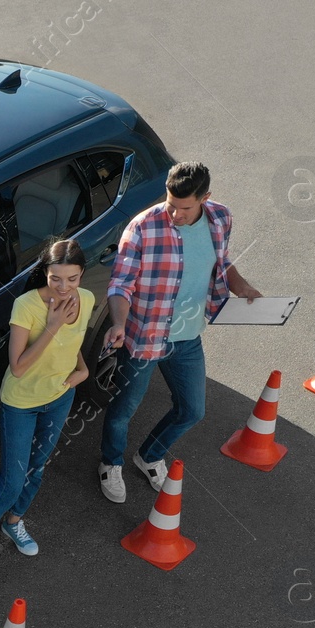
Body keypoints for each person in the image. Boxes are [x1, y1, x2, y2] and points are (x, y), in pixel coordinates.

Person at [97, 161, 262, 502]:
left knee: (192, 410)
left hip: (187, 337)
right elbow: (121, 284)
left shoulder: (220, 218)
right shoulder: (142, 228)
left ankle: (149, 455)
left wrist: (240, 285)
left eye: (184, 208)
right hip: (144, 338)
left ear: (206, 198)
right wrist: (117, 322)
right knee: (124, 410)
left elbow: (221, 260)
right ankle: (110, 463)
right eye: (170, 203)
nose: (174, 213)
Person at [0, 239, 92, 587]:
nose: (63, 287)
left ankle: (13, 522)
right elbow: (19, 366)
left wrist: (82, 370)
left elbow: (73, 346)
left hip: (59, 398)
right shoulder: (26, 306)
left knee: (37, 468)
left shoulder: (85, 300)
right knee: (11, 481)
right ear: (46, 272)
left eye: (71, 279)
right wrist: (53, 324)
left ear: (81, 275)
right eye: (56, 278)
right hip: (22, 403)